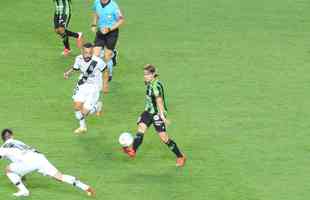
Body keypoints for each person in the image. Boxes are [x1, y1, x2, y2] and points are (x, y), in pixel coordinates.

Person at [122, 64, 187, 167]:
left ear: (153, 74)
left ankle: (180, 156)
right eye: (144, 74)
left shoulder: (155, 86)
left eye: (147, 74)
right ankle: (133, 150)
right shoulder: (150, 82)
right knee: (141, 128)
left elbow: (159, 101)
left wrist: (162, 116)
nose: (145, 76)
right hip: (148, 112)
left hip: (157, 114)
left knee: (164, 138)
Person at [0, 129, 95, 197]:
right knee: (59, 177)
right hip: (39, 158)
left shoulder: (3, 148)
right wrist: (21, 174)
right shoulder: (18, 141)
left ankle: (24, 191)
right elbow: (19, 157)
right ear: (12, 136)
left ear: (2, 139)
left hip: (28, 162)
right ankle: (85, 187)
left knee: (8, 170)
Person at [64, 43, 106, 134]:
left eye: (90, 53)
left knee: (84, 112)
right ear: (82, 51)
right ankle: (82, 127)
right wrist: (68, 73)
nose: (88, 55)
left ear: (92, 52)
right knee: (77, 107)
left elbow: (105, 70)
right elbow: (75, 68)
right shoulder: (78, 58)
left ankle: (97, 106)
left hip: (94, 87)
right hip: (83, 84)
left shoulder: (98, 61)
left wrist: (105, 84)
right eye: (86, 52)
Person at [91, 0, 125, 93]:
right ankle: (94, 78)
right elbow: (95, 12)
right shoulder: (97, 2)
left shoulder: (114, 6)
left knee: (106, 58)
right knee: (95, 56)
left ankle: (105, 83)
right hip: (101, 32)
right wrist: (94, 24)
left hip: (111, 33)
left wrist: (109, 28)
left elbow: (121, 20)